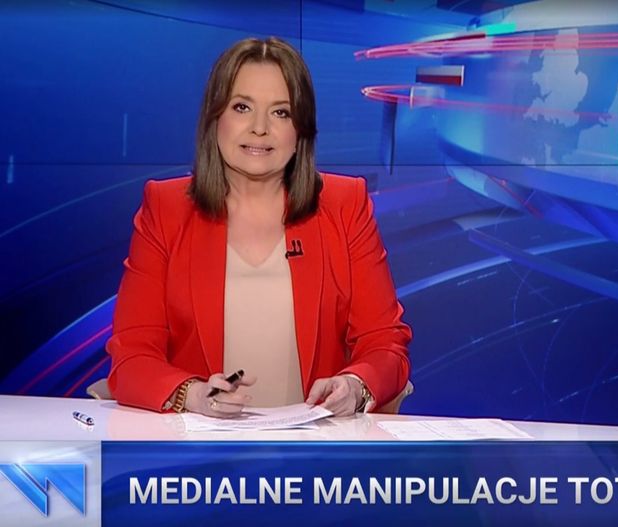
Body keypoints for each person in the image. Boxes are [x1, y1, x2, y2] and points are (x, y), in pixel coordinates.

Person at [105, 37, 411, 417]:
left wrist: (355, 385)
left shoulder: (345, 204)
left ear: (301, 132)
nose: (260, 128)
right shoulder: (166, 208)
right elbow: (132, 356)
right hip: (200, 447)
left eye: (281, 113)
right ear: (215, 118)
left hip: (316, 446)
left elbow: (385, 343)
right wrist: (194, 396)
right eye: (242, 107)